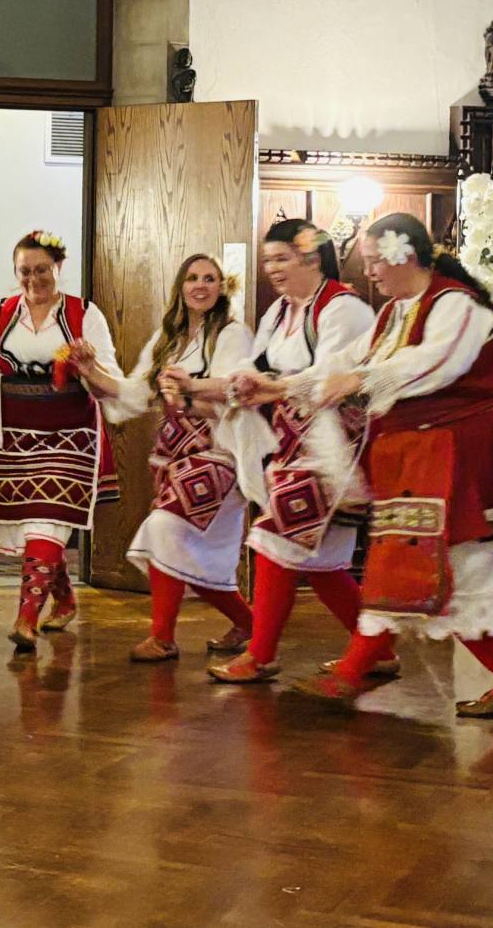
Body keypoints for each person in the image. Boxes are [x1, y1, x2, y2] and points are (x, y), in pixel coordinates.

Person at [259, 216, 493, 717]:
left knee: (429, 566)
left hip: (461, 455)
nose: (370, 272)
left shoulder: (457, 305)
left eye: (375, 261)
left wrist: (361, 380)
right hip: (418, 459)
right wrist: (280, 387)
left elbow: (438, 363)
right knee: (424, 568)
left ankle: (352, 672)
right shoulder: (394, 312)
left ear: (405, 254)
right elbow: (343, 363)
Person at [205, 219, 385, 685]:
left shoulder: (344, 309)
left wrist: (269, 388)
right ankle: (380, 649)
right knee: (318, 560)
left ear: (312, 257)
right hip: (293, 443)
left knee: (275, 537)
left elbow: (329, 380)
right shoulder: (280, 311)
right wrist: (236, 382)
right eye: (268, 260)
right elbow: (257, 364)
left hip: (336, 446)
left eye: (281, 258)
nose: (272, 269)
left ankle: (260, 654)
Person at [0, 230, 119, 652]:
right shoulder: (1, 313)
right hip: (12, 436)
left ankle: (25, 619)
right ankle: (64, 600)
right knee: (36, 523)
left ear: (59, 268)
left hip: (71, 434)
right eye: (24, 271)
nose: (33, 279)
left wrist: (88, 367)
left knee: (48, 517)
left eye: (42, 270)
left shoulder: (85, 314)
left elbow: (109, 379)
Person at [75, 254, 255, 662]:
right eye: (192, 278)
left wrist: (187, 392)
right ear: (180, 287)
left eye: (209, 279)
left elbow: (234, 393)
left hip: (219, 454)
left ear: (221, 288)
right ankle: (249, 624)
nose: (200, 286)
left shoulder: (232, 334)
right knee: (186, 548)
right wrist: (90, 371)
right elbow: (135, 393)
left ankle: (163, 637)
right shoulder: (167, 339)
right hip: (176, 457)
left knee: (164, 529)